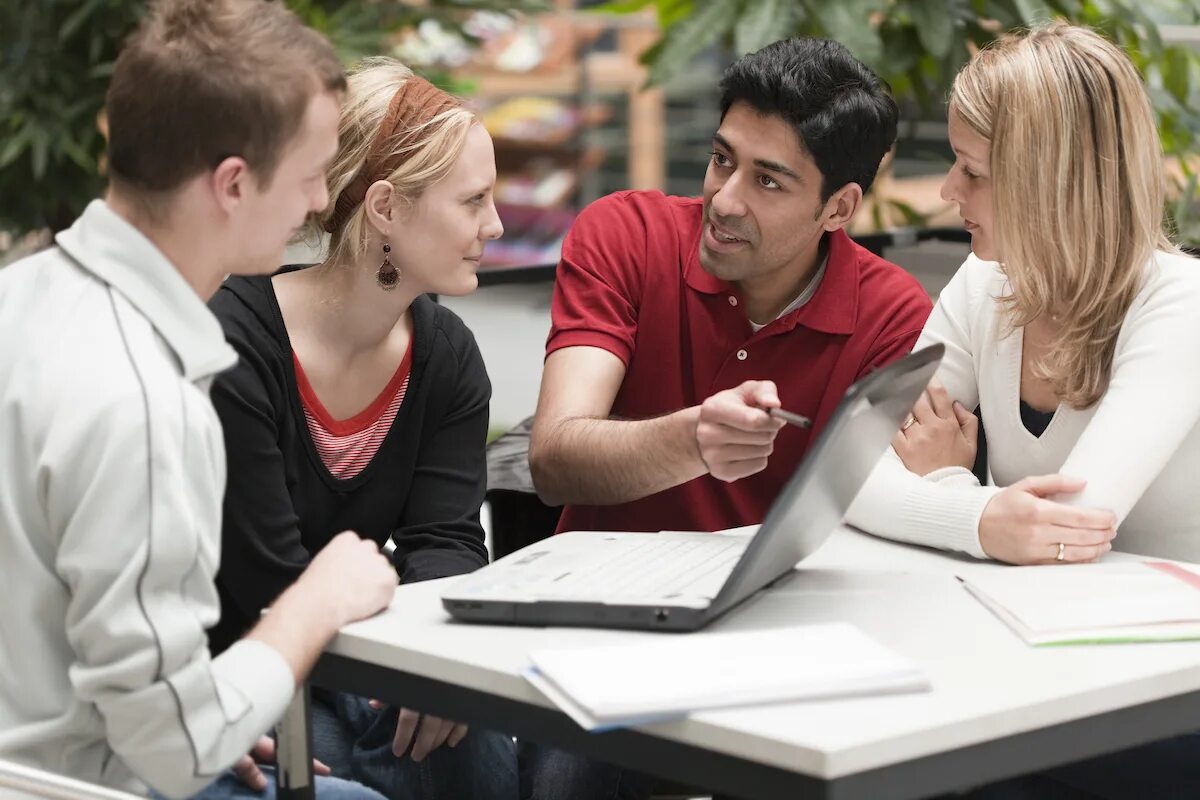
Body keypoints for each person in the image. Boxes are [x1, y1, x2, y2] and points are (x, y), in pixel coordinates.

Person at [0, 1, 398, 798]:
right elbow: (176, 751)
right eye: (314, 171)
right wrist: (313, 605)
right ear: (233, 183)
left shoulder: (20, 297)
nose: (322, 202)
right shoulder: (143, 403)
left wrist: (195, 708)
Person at [524, 37, 933, 800]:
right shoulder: (624, 235)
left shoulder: (892, 315)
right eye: (722, 159)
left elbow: (876, 526)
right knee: (564, 782)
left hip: (783, 646)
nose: (725, 198)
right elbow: (555, 458)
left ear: (839, 208)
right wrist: (691, 440)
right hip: (604, 634)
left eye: (768, 181)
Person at [843, 22, 1200, 799]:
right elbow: (850, 474)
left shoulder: (1180, 306)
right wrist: (979, 521)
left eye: (971, 171)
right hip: (1030, 664)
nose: (947, 193)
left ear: (1050, 181)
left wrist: (942, 488)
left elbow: (1070, 533)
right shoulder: (986, 287)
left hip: (1166, 697)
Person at [206, 58, 515, 800]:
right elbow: (267, 583)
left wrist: (440, 674)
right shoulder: (235, 342)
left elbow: (446, 542)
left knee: (460, 737)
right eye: (473, 201)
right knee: (390, 760)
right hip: (244, 657)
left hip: (357, 644)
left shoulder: (446, 356)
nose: (496, 225)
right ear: (385, 207)